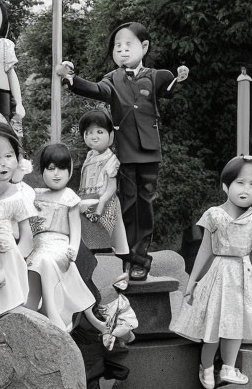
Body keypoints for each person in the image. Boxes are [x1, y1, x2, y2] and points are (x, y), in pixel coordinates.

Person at [55, 21, 190, 281]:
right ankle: (128, 259)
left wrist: (180, 77)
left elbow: (170, 89)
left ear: (145, 46)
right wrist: (70, 77)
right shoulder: (112, 79)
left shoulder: (156, 75)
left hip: (150, 152)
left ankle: (140, 260)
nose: (122, 50)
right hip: (125, 153)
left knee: (145, 206)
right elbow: (96, 89)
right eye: (118, 46)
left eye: (128, 45)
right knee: (128, 206)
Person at [172, 156, 252, 388]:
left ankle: (229, 367)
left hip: (243, 276)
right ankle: (207, 366)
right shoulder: (214, 214)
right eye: (240, 182)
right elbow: (205, 250)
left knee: (236, 324)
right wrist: (192, 281)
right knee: (212, 324)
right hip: (218, 274)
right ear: (226, 185)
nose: (246, 190)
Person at [25, 143, 96, 331]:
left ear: (69, 171)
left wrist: (73, 247)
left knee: (45, 261)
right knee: (34, 264)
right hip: (37, 245)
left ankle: (53, 314)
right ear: (43, 170)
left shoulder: (69, 197)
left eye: (62, 168)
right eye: (51, 168)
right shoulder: (35, 195)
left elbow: (75, 229)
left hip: (60, 246)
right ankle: (32, 310)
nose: (57, 173)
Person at [77, 109, 130, 291]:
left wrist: (101, 203)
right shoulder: (89, 157)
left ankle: (119, 276)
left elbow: (112, 186)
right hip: (85, 204)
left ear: (111, 135)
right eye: (89, 132)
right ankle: (89, 280)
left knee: (110, 243)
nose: (93, 137)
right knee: (86, 243)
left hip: (105, 204)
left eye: (99, 132)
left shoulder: (111, 159)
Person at [0, 122, 34, 317]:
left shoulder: (19, 196)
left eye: (8, 156)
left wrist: (12, 262)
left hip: (9, 261)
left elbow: (27, 240)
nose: (2, 163)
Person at [0, 0, 25, 129]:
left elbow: (11, 74)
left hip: (1, 96)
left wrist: (19, 103)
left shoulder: (4, 46)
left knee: (3, 131)